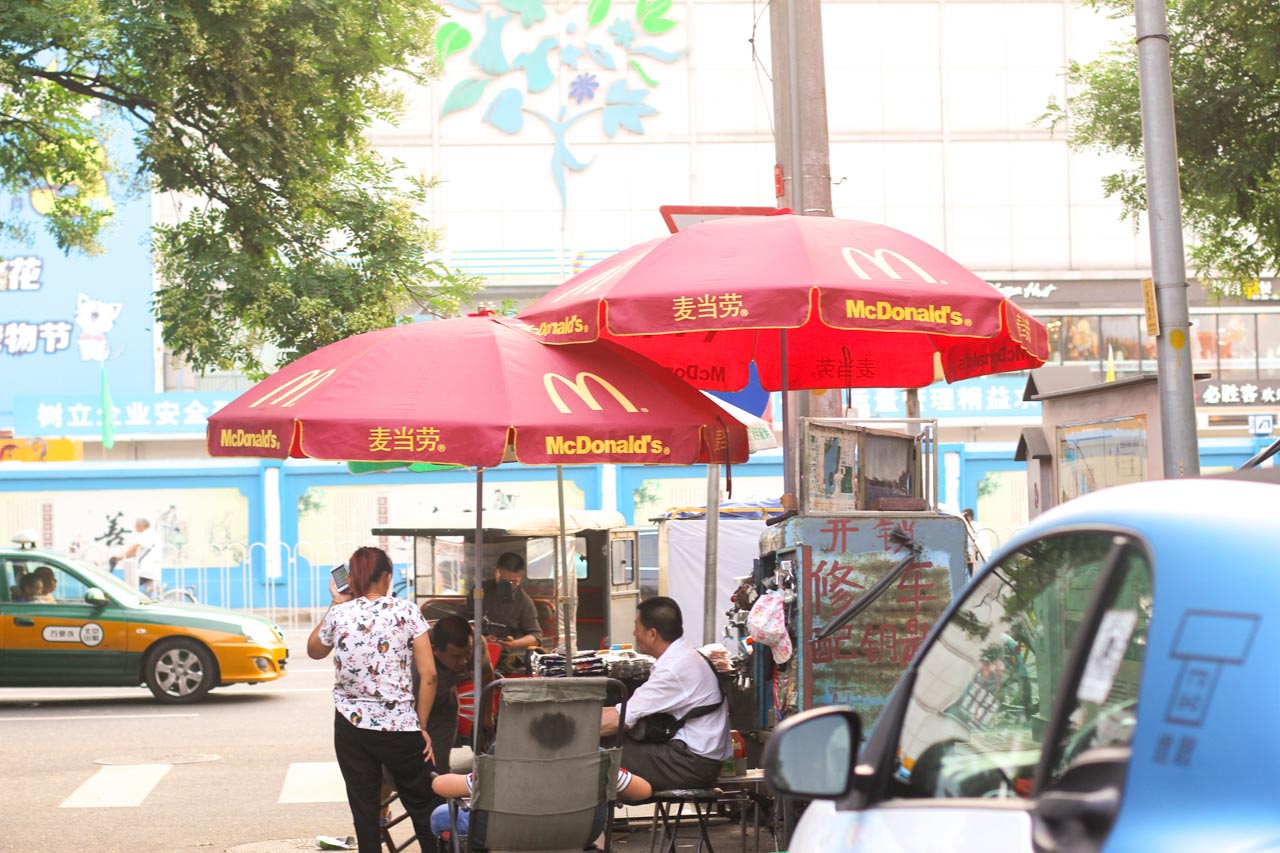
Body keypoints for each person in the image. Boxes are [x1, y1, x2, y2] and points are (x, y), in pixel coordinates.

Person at [307, 546, 439, 853]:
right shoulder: (406, 611)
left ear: (353, 578)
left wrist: (336, 603)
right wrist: (422, 726)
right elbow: (429, 675)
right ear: (387, 577)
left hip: (351, 727)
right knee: (423, 804)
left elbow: (314, 650)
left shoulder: (340, 613)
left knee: (365, 809)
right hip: (400, 726)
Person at [600, 596, 731, 791]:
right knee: (604, 744)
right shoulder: (684, 656)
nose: (634, 633)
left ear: (652, 634)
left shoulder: (673, 669)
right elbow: (625, 711)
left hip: (690, 764)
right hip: (696, 757)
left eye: (637, 626)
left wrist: (571, 734)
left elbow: (618, 720)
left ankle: (595, 817)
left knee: (597, 754)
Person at [428, 757, 652, 843]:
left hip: (510, 833)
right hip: (577, 832)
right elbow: (643, 791)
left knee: (441, 816)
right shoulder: (598, 761)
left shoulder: (504, 764)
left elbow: (441, 786)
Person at [466, 552, 543, 673]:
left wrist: (513, 643)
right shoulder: (480, 590)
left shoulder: (524, 601)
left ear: (521, 577)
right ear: (496, 572)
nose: (507, 586)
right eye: (503, 580)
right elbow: (463, 619)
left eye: (513, 582)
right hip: (473, 650)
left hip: (504, 657)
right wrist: (480, 638)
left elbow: (535, 636)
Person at [114, 517, 161, 595]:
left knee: (126, 587)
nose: (135, 527)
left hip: (145, 571)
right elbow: (136, 552)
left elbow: (134, 549)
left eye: (136, 525)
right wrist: (121, 557)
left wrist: (119, 557)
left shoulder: (146, 534)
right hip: (151, 570)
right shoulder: (153, 534)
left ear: (140, 525)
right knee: (149, 595)